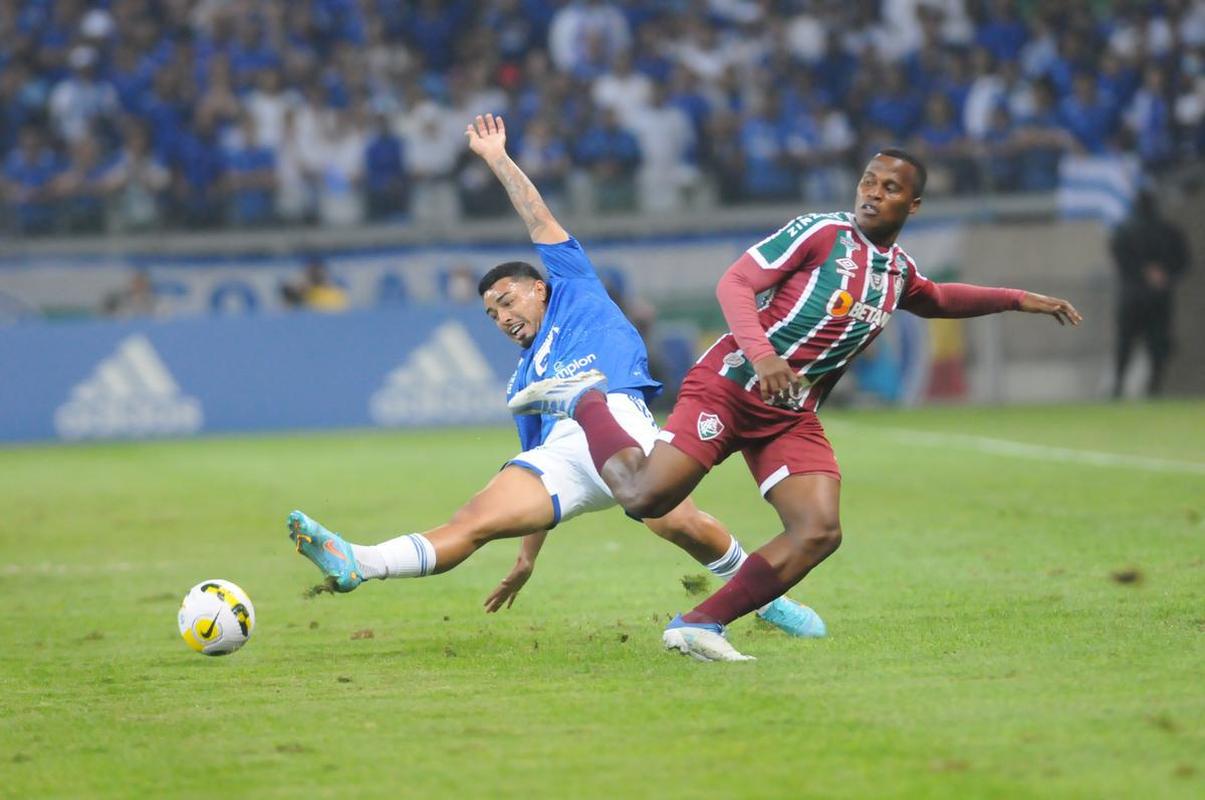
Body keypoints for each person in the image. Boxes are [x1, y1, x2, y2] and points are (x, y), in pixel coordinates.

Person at [511, 149, 1083, 661]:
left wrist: (1017, 299)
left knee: (818, 530)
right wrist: (761, 355)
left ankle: (700, 623)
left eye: (889, 188)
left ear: (914, 204)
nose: (872, 193)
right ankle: (583, 400)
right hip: (730, 385)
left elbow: (936, 298)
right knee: (644, 497)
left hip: (788, 413)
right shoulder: (822, 232)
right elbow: (736, 283)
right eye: (868, 180)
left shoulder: (896, 271)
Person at [286, 113, 821, 638]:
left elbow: (538, 219)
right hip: (567, 451)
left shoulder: (574, 289)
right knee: (473, 520)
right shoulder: (523, 382)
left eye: (506, 300)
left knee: (682, 525)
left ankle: (771, 600)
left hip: (617, 419)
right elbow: (540, 456)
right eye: (491, 315)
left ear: (537, 287)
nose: (501, 317)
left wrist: (497, 160)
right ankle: (358, 561)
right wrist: (525, 557)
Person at [1109, 191, 1190, 398]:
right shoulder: (1170, 232)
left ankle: (1119, 386)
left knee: (1127, 343)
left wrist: (1142, 272)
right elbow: (1183, 261)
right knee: (1157, 343)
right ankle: (1153, 387)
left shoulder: (1124, 231)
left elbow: (1120, 259)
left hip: (1133, 297)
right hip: (1158, 297)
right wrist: (1164, 274)